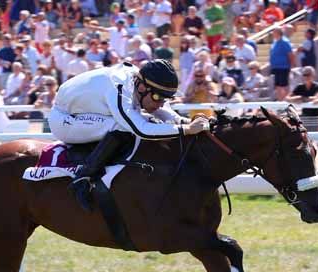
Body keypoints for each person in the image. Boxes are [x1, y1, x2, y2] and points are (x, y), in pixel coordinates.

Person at [48, 59, 209, 211]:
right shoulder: (118, 86)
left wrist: (184, 121)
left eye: (166, 98)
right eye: (158, 97)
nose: (160, 103)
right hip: (63, 119)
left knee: (139, 119)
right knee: (124, 126)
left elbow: (162, 109)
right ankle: (82, 179)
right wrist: (186, 129)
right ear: (141, 88)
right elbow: (141, 130)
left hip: (88, 111)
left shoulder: (140, 83)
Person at [269, 27, 295, 101]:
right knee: (278, 86)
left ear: (278, 33)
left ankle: (286, 101)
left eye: (274, 32)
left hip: (283, 67)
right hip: (276, 67)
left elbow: (290, 54)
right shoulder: (275, 42)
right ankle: (280, 102)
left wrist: (291, 66)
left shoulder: (285, 42)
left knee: (284, 86)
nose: (273, 34)